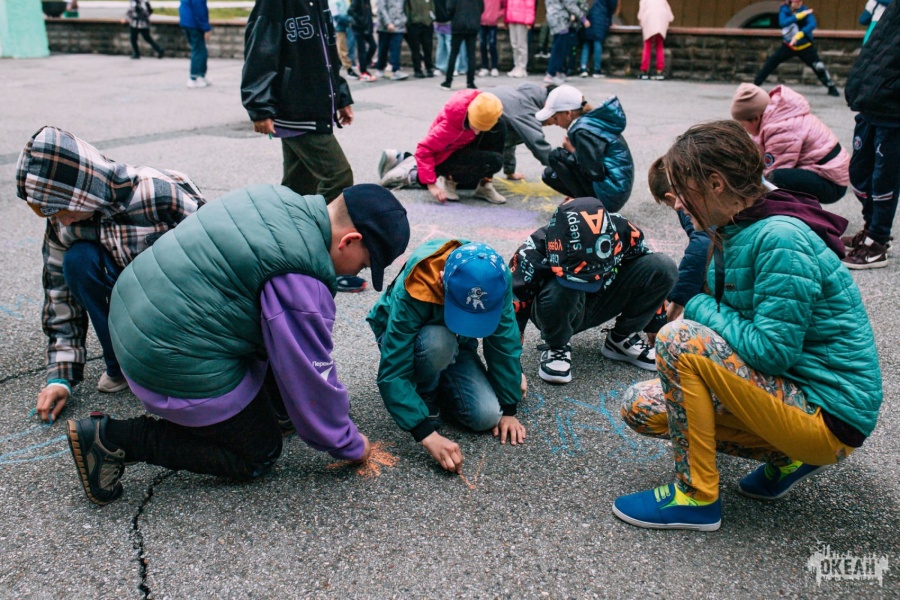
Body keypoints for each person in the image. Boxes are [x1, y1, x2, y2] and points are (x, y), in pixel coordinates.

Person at [65, 184, 411, 506]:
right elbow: (307, 370)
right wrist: (348, 443)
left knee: (275, 363)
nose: (356, 273)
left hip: (133, 311)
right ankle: (112, 439)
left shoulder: (277, 198)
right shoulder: (301, 278)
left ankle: (275, 409)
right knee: (257, 451)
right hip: (163, 352)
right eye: (363, 265)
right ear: (349, 241)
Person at [615, 121, 882, 531]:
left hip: (828, 414)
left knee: (680, 338)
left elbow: (771, 353)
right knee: (643, 407)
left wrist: (696, 304)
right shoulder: (737, 227)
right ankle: (787, 458)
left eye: (683, 190)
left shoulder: (780, 237)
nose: (679, 203)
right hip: (793, 391)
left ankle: (695, 497)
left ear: (716, 183)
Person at [16, 126, 205, 424]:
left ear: (83, 189)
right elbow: (59, 297)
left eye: (63, 208)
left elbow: (212, 263)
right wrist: (60, 377)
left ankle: (179, 358)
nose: (63, 220)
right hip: (125, 300)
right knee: (78, 260)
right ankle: (123, 366)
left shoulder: (158, 193)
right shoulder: (63, 222)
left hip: (176, 306)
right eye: (52, 213)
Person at [367, 240, 526, 473]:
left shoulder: (496, 280)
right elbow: (393, 371)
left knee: (487, 415)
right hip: (418, 342)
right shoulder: (418, 282)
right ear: (442, 280)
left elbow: (504, 341)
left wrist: (509, 404)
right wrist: (426, 433)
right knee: (439, 342)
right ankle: (424, 393)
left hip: (457, 342)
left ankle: (441, 380)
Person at [242, 0, 367, 292]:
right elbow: (260, 48)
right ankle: (322, 261)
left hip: (314, 106)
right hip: (295, 107)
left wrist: (341, 95)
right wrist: (259, 106)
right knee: (338, 176)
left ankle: (276, 253)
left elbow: (328, 52)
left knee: (298, 188)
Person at [510, 196, 676, 384]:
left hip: (604, 295)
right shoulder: (532, 252)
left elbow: (650, 271)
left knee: (663, 266)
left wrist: (656, 322)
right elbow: (513, 311)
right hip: (559, 305)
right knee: (561, 290)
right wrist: (512, 370)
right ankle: (556, 345)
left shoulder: (624, 231)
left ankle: (621, 339)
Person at [842, 0, 900, 269]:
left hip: (892, 111)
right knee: (859, 174)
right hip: (871, 102)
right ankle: (871, 229)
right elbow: (876, 46)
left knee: (883, 179)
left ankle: (877, 241)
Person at [379, 90, 508, 204]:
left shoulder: (482, 105)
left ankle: (484, 184)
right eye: (476, 127)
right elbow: (424, 149)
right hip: (443, 158)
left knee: (499, 127)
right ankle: (412, 173)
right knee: (493, 162)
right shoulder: (450, 126)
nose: (477, 132)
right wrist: (431, 185)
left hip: (459, 148)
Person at [731, 83, 849, 205]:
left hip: (831, 181)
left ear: (756, 118)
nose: (744, 130)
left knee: (775, 178)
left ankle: (800, 211)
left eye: (743, 125)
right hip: (822, 171)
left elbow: (774, 171)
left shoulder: (781, 128)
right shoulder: (775, 115)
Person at [537, 85, 634, 212]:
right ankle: (582, 200)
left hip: (610, 195)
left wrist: (572, 150)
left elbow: (594, 171)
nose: (555, 122)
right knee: (550, 174)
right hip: (616, 190)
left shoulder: (582, 131)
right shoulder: (590, 122)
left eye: (555, 118)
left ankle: (588, 205)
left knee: (556, 156)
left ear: (568, 113)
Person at [647, 157, 710, 322]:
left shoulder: (685, 204)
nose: (675, 208)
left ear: (671, 197)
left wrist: (676, 304)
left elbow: (701, 247)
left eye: (669, 205)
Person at [753, 0, 839, 97]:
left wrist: (800, 34)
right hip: (789, 46)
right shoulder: (784, 10)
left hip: (805, 46)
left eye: (800, 1)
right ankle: (756, 84)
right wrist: (798, 16)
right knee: (771, 62)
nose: (799, 3)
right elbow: (783, 23)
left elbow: (812, 24)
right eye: (796, 1)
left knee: (819, 66)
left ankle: (831, 87)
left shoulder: (805, 10)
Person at [490, 83, 554, 180]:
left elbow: (509, 136)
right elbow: (538, 144)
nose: (554, 122)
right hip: (469, 132)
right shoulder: (525, 108)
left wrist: (510, 171)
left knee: (514, 131)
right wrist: (564, 170)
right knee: (494, 160)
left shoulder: (526, 96)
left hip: (470, 121)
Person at [442, 0, 483, 90]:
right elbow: (481, 8)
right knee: (471, 55)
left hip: (458, 25)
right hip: (472, 25)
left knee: (453, 54)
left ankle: (448, 81)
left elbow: (450, 8)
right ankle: (470, 82)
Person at [544, 0, 587, 85]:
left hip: (553, 17)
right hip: (560, 20)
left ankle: (559, 72)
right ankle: (551, 73)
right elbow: (569, 4)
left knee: (559, 46)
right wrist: (583, 18)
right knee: (559, 48)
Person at [579, 0, 617, 78]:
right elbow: (610, 10)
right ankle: (597, 69)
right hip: (601, 20)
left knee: (587, 43)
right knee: (597, 42)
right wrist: (609, 22)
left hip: (590, 18)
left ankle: (583, 68)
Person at [373, 0, 410, 80]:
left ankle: (395, 69)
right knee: (383, 48)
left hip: (399, 25)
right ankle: (380, 67)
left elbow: (404, 7)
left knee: (396, 48)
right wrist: (388, 23)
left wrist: (404, 20)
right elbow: (382, 8)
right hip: (384, 27)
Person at [637, 0, 672, 80]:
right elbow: (670, 17)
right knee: (659, 45)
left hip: (649, 21)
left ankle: (644, 70)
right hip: (661, 22)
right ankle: (659, 70)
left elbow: (640, 15)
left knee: (647, 45)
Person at [179, 0, 211, 88]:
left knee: (200, 50)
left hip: (187, 22)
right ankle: (193, 78)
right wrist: (206, 27)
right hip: (194, 24)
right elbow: (199, 9)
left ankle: (201, 75)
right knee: (198, 51)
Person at [405, 0, 436, 78]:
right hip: (414, 24)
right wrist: (409, 21)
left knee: (428, 47)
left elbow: (432, 7)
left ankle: (429, 68)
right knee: (415, 49)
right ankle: (417, 70)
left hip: (427, 24)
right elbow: (406, 9)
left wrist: (431, 19)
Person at [504, 0, 535, 77]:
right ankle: (516, 66)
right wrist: (507, 19)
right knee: (514, 45)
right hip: (511, 19)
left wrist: (529, 21)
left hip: (522, 20)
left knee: (521, 45)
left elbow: (530, 6)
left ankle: (522, 67)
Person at [349, 0, 378, 81]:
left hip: (367, 28)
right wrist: (360, 20)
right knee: (362, 50)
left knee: (373, 46)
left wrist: (370, 26)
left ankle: (364, 63)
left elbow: (368, 14)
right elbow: (350, 11)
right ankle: (363, 71)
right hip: (359, 29)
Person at [330, 0, 360, 79]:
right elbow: (336, 16)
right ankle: (349, 70)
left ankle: (342, 66)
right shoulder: (333, 2)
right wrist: (350, 19)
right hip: (339, 28)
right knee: (342, 49)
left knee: (344, 48)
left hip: (345, 26)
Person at [478, 0, 504, 77]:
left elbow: (504, 7)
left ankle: (494, 67)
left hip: (493, 23)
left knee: (492, 44)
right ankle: (484, 67)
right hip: (482, 23)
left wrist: (497, 15)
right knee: (482, 44)